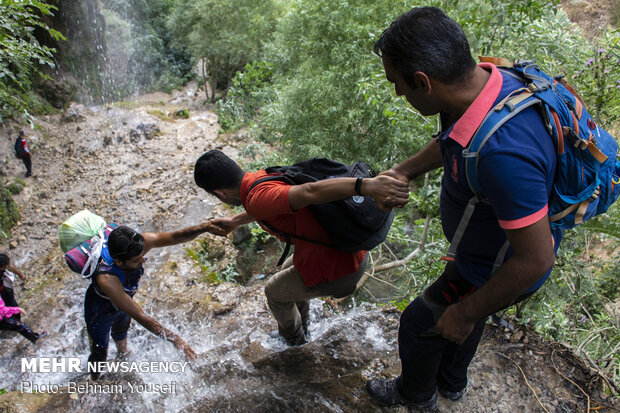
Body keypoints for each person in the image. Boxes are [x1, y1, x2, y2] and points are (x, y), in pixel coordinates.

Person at [365, 7, 562, 410]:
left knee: (422, 323)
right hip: (483, 252)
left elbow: (536, 259)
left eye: (397, 85)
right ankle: (452, 383)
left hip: (498, 264)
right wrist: (403, 170)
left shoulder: (504, 154)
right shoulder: (488, 80)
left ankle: (416, 398)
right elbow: (455, 137)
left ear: (423, 81)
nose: (398, 94)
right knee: (460, 317)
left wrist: (468, 311)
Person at [194, 150, 409, 346]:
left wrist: (366, 186)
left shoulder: (256, 198)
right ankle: (305, 328)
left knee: (274, 291)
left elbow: (308, 191)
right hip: (351, 251)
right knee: (286, 271)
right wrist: (236, 221)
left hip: (343, 268)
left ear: (219, 193)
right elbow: (267, 205)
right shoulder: (259, 178)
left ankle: (294, 343)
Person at [85, 222, 220, 380]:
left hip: (123, 305)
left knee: (122, 329)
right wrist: (174, 339)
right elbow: (139, 315)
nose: (143, 261)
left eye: (142, 256)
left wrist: (204, 227)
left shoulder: (138, 245)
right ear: (119, 262)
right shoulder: (106, 278)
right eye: (136, 260)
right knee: (99, 352)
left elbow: (175, 236)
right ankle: (93, 379)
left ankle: (123, 356)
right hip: (100, 310)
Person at [0, 253, 28, 320]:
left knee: (11, 302)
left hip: (5, 289)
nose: (6, 267)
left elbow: (10, 267)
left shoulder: (3, 265)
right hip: (2, 292)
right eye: (5, 266)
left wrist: (20, 275)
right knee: (6, 307)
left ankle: (16, 320)